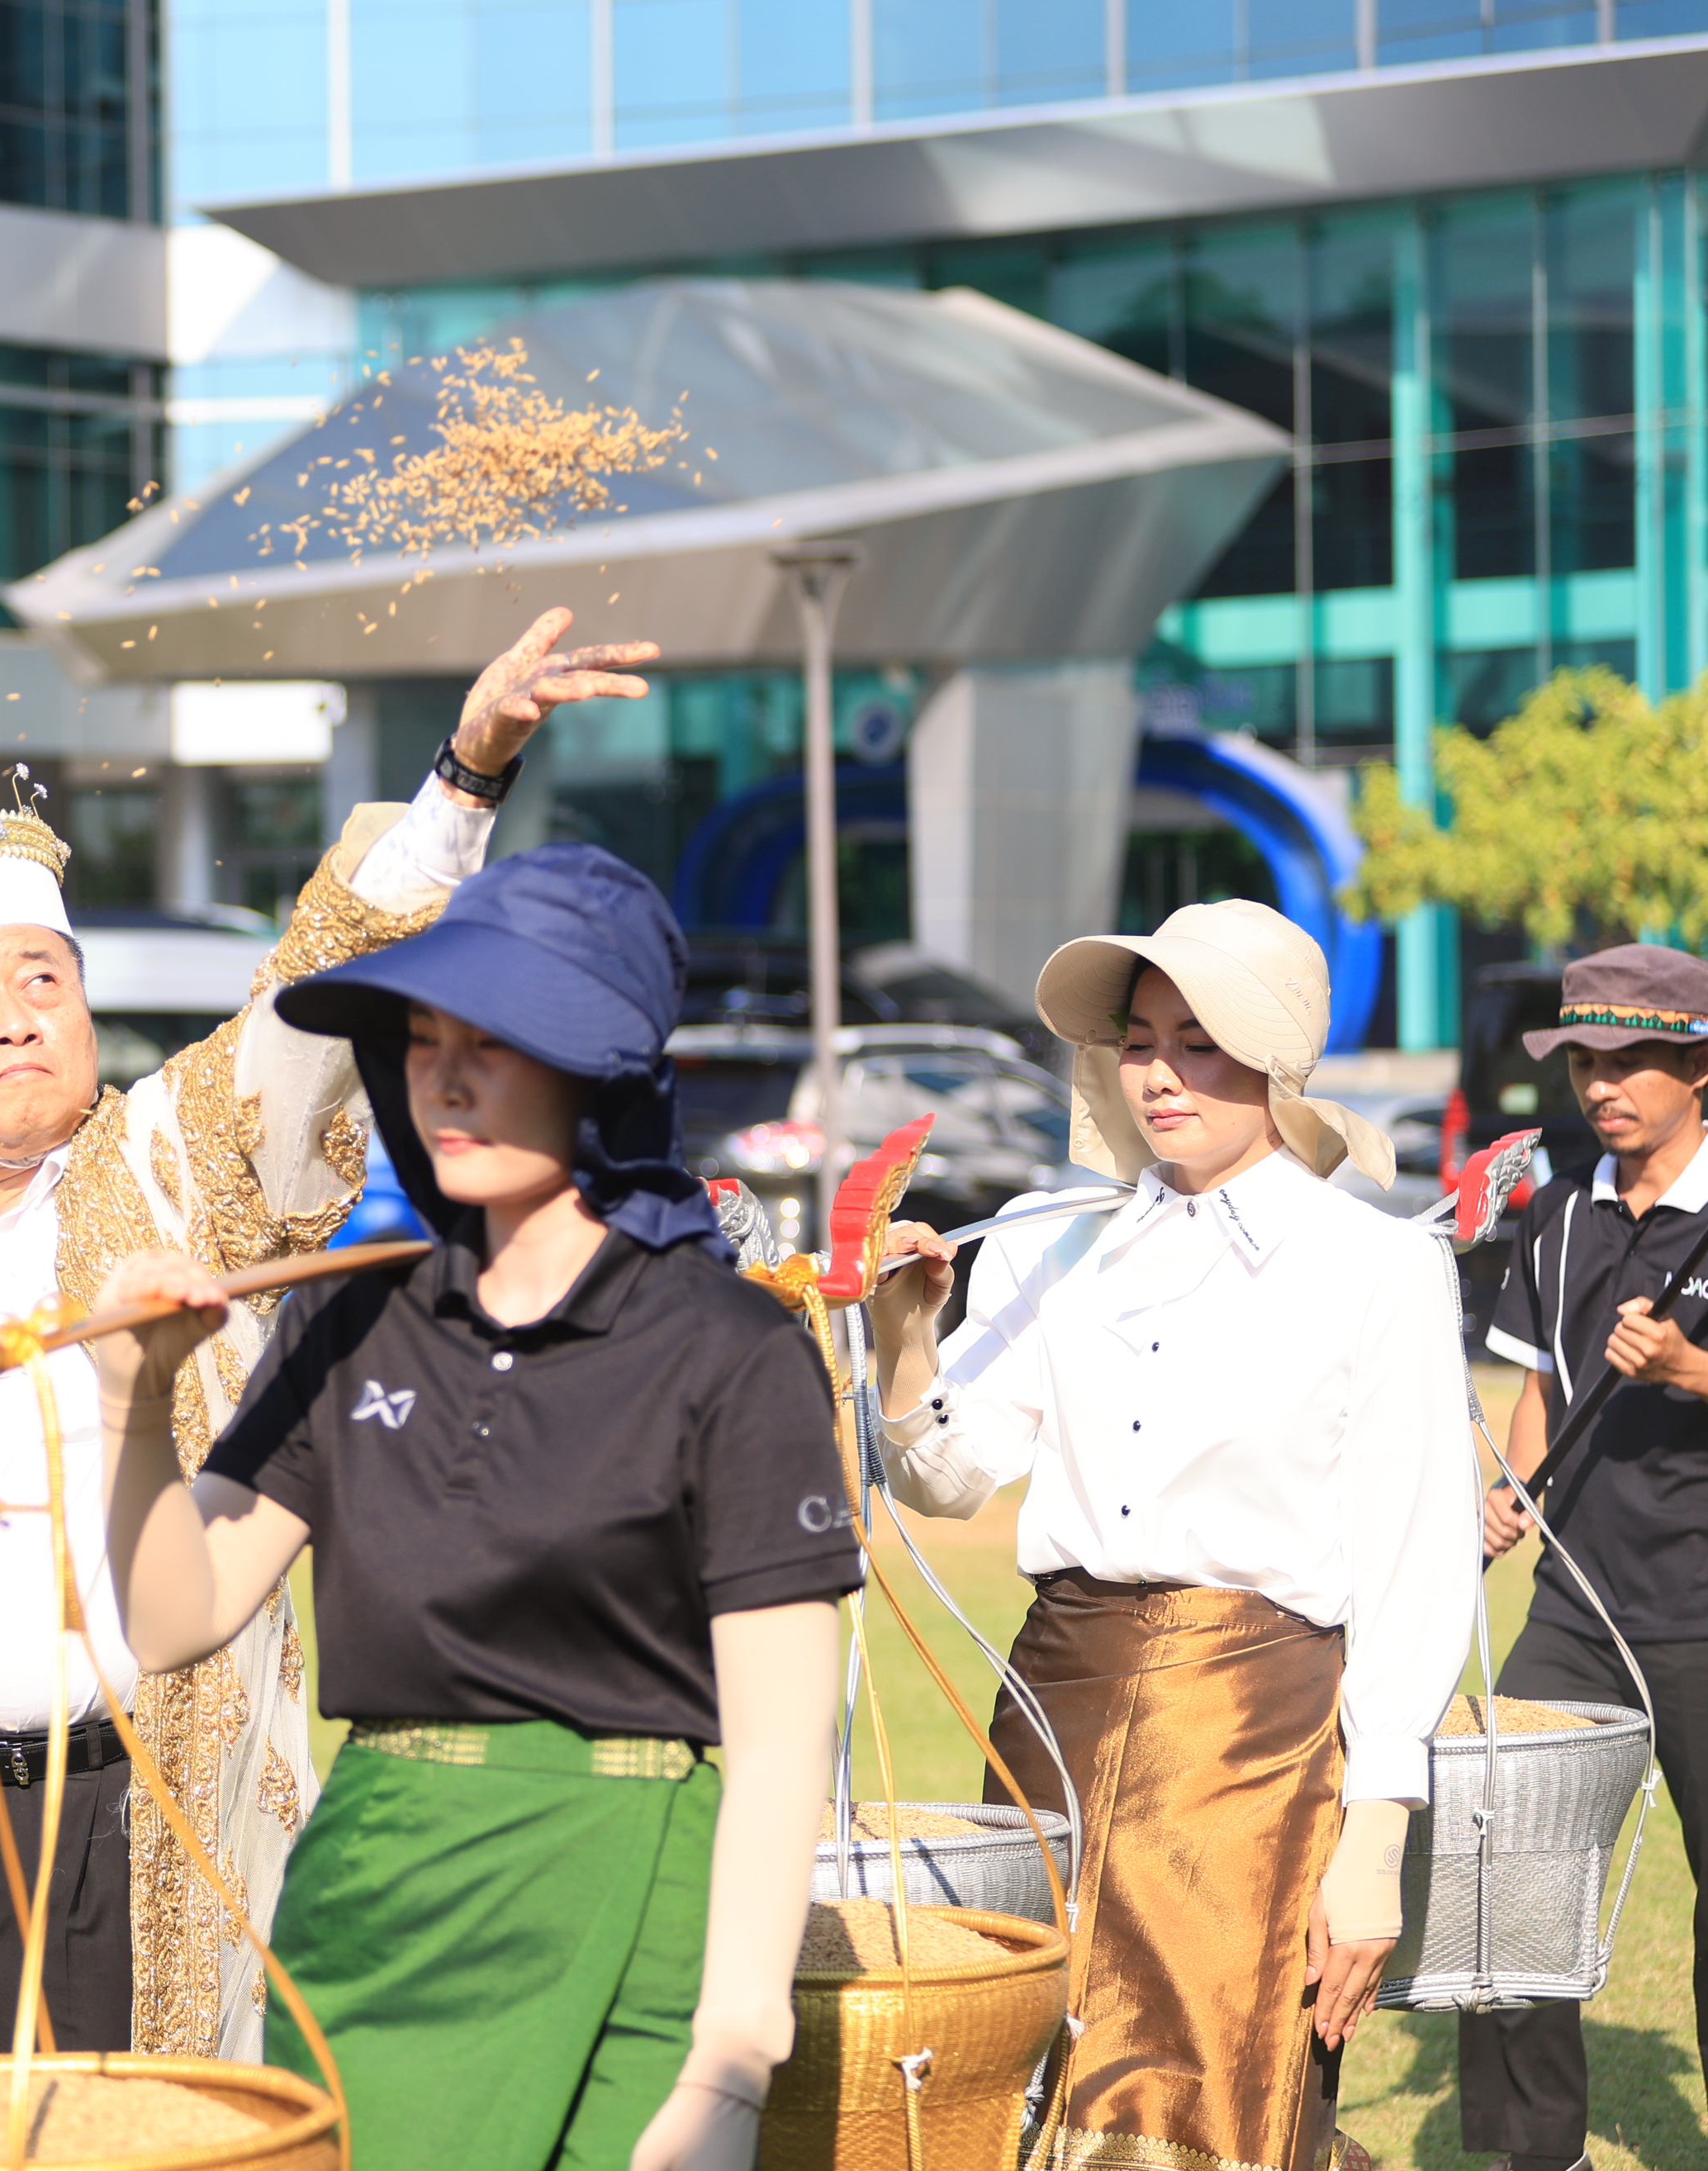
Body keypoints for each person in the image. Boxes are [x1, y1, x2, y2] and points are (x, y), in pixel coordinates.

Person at [0, 574, 653, 2111]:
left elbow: (316, 988)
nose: (16, 1015)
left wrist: (465, 774)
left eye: (44, 978)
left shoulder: (178, 1162)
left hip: (120, 1812)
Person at [90, 844, 856, 2171]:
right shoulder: (346, 1319)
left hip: (633, 1885)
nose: (442, 1079)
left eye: (493, 1042)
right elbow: (176, 1619)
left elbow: (786, 1742)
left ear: (599, 1067)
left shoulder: (731, 1348)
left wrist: (737, 2055)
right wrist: (133, 1403)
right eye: (421, 1040)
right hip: (372, 1898)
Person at [866, 900, 1478, 2171]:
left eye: (1200, 1042)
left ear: (1275, 1059)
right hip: (1054, 1716)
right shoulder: (1045, 1235)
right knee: (1021, 2079)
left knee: (1212, 2100)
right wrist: (904, 1340)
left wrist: (1377, 1838)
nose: (1159, 1073)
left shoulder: (1376, 1263)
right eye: (1140, 1040)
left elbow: (1417, 1567)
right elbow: (946, 1478)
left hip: (1253, 1740)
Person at [1459, 944, 1708, 2171]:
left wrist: (1691, 1369)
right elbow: (1540, 1390)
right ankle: (1535, 2151)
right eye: (1582, 1062)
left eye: (1630, 1061)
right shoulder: (1557, 1211)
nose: (1600, 1085)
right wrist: (1513, 1490)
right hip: (1575, 1604)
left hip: (1704, 1609)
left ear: (1699, 1069)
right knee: (1506, 1870)